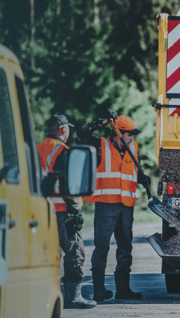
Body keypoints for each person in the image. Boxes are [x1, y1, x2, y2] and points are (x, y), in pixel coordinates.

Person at [77, 111, 151, 301]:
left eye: (132, 134)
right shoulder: (100, 145)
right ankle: (99, 290)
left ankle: (123, 290)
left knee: (125, 247)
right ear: (118, 133)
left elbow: (135, 172)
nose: (132, 137)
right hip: (106, 205)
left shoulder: (133, 148)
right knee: (101, 246)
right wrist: (101, 122)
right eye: (128, 134)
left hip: (126, 206)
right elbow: (81, 134)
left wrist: (143, 179)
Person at [37, 113, 97, 309]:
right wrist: (75, 212)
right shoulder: (62, 150)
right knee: (74, 252)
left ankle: (44, 296)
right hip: (64, 211)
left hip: (43, 211)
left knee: (47, 254)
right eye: (68, 128)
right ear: (63, 129)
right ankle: (73, 297)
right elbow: (67, 184)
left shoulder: (36, 149)